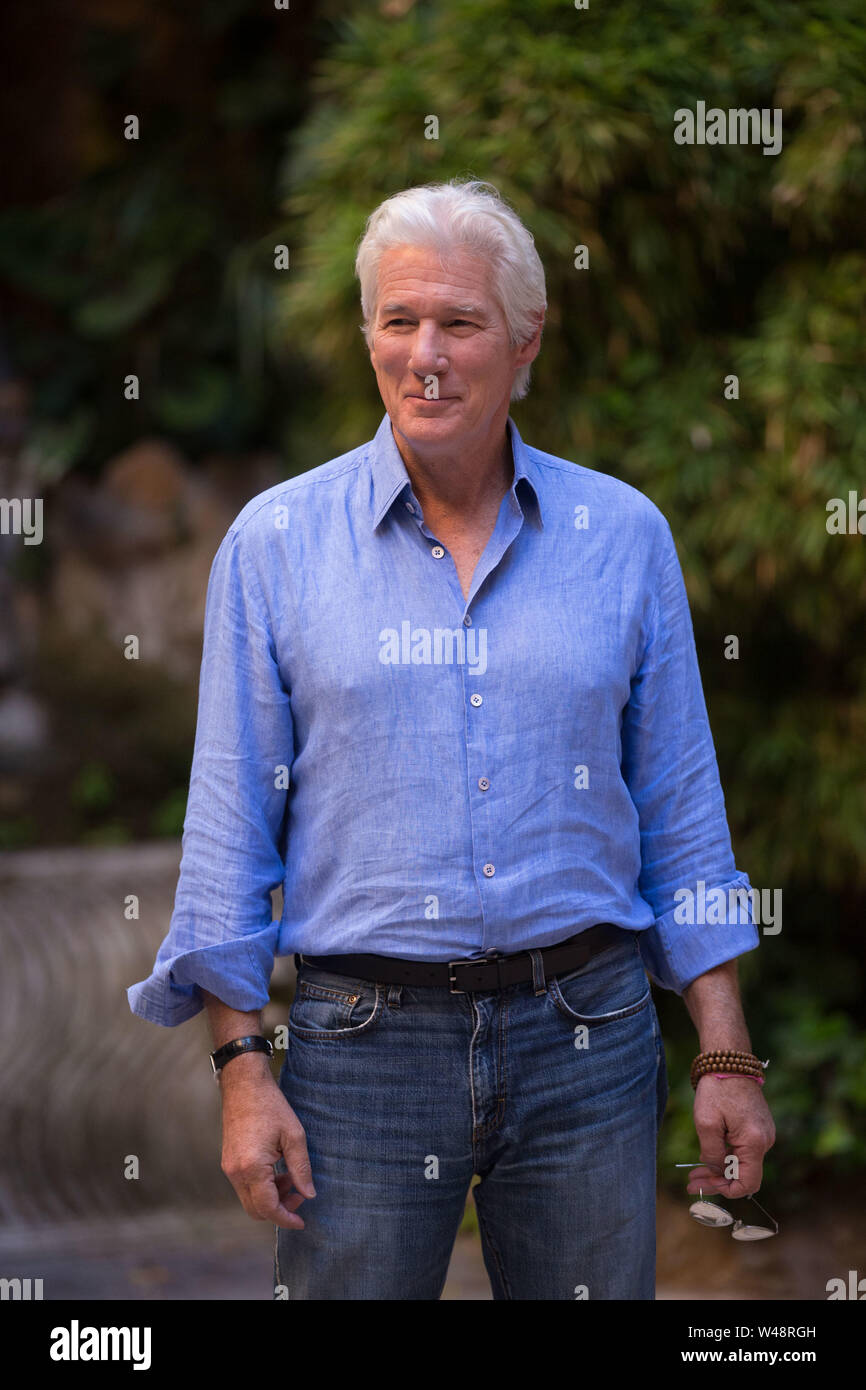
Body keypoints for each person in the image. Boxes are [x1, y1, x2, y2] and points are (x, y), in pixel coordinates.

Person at [128, 178, 775, 1300]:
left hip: (588, 1037)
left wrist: (722, 1048)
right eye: (398, 320)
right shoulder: (274, 544)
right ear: (366, 334)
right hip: (360, 1052)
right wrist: (241, 1068)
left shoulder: (621, 536)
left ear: (524, 342)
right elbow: (230, 828)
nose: (424, 354)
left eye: (458, 324)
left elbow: (680, 805)